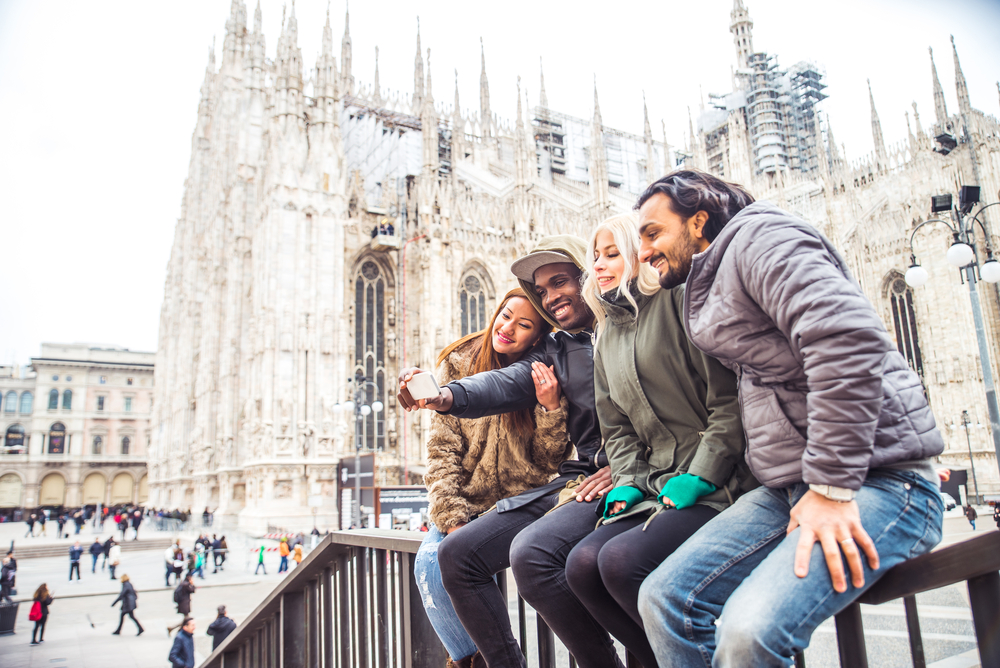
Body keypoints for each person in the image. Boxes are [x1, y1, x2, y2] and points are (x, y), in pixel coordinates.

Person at [631, 170, 945, 668]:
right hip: (791, 488)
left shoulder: (760, 238)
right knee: (664, 598)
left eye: (653, 233)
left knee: (748, 631)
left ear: (698, 221)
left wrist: (832, 485)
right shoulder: (716, 273)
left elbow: (845, 340)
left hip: (876, 482)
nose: (643, 251)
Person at [398, 235, 617, 668]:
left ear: (586, 277)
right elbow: (501, 385)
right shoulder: (555, 351)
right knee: (450, 556)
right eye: (543, 291)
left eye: (560, 283)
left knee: (540, 557)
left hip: (600, 479)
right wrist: (444, 396)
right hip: (570, 482)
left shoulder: (627, 326)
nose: (552, 296)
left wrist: (559, 415)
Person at [562, 213, 751, 668]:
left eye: (612, 254)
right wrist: (627, 480)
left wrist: (701, 476)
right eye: (595, 256)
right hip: (656, 486)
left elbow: (729, 403)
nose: (599, 266)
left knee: (621, 562)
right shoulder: (605, 335)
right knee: (582, 566)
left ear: (636, 254)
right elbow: (617, 428)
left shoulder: (679, 301)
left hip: (719, 482)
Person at [412, 286, 571, 667]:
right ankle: (476, 660)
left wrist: (550, 409)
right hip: (467, 500)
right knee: (430, 564)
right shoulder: (458, 361)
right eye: (505, 315)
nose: (508, 328)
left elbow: (549, 460)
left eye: (524, 324)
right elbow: (441, 449)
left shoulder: (542, 373)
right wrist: (451, 517)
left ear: (538, 335)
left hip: (521, 501)